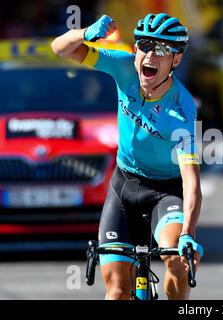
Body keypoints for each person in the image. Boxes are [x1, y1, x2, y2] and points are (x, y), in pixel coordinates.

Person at [51, 13, 203, 300]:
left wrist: (188, 234)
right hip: (124, 185)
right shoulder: (123, 67)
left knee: (176, 260)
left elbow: (191, 183)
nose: (150, 55)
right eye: (145, 45)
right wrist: (85, 33)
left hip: (165, 192)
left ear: (177, 60)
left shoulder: (182, 111)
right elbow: (59, 48)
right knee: (118, 291)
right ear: (135, 50)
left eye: (161, 50)